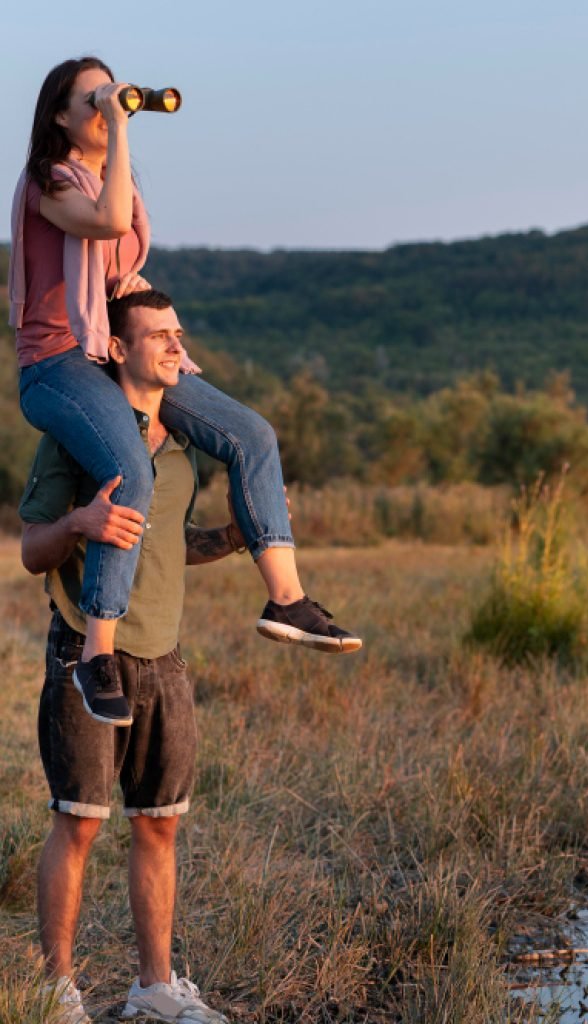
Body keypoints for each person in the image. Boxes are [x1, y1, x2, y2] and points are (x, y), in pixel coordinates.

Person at [9, 57, 360, 729]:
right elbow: (109, 224)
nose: (109, 111)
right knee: (130, 470)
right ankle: (98, 654)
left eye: (113, 100)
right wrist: (121, 119)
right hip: (56, 364)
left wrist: (153, 326)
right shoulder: (48, 180)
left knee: (253, 434)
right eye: (93, 101)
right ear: (59, 115)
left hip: (109, 354)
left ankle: (286, 599)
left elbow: (122, 266)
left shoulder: (113, 180)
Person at [19, 290, 283, 1023]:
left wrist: (231, 539)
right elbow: (32, 550)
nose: (177, 347)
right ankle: (56, 991)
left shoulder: (187, 446)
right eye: (158, 336)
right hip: (87, 650)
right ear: (120, 349)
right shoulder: (80, 438)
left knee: (159, 821)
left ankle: (154, 989)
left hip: (165, 658)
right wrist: (80, 520)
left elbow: (168, 545)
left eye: (178, 333)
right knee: (79, 820)